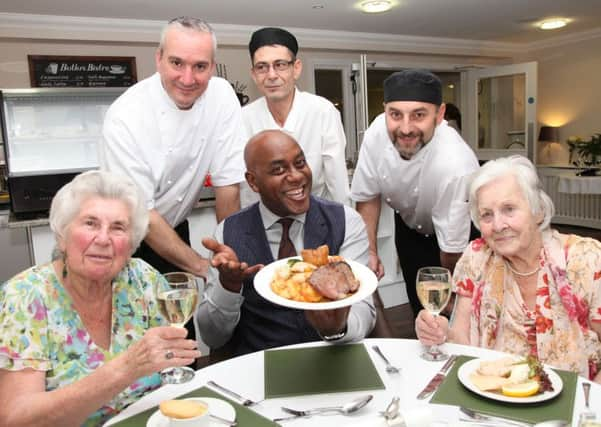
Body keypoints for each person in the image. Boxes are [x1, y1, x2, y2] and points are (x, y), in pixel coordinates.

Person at [0, 171, 201, 426]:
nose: (103, 239)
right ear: (62, 236)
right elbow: (15, 419)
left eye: (118, 227)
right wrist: (126, 367)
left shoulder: (144, 280)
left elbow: (171, 378)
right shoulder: (25, 298)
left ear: (131, 244)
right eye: (90, 223)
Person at [415, 156, 601, 382]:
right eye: (487, 215)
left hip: (574, 404)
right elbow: (460, 339)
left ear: (538, 211)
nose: (498, 225)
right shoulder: (477, 257)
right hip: (494, 397)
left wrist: (588, 406)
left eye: (509, 209)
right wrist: (439, 331)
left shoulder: (585, 261)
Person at [196, 130, 375, 356]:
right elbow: (212, 335)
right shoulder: (229, 233)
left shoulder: (346, 221)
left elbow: (364, 311)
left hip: (332, 358)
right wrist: (228, 287)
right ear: (253, 182)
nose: (296, 176)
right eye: (278, 169)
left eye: (300, 163)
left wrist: (337, 329)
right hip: (260, 367)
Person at [100, 17, 245, 278]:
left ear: (212, 67)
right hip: (121, 239)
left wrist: (228, 256)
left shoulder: (222, 97)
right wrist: (205, 268)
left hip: (173, 230)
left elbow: (229, 186)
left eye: (200, 66)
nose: (187, 79)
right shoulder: (125, 116)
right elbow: (142, 212)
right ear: (159, 59)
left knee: (181, 317)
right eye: (176, 63)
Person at [351, 69, 479, 318]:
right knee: (419, 309)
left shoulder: (456, 164)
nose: (405, 128)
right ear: (385, 109)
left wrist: (451, 294)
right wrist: (371, 252)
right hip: (409, 226)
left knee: (451, 313)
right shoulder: (377, 133)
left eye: (419, 115)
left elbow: (452, 250)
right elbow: (367, 195)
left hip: (460, 239)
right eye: (395, 114)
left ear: (439, 115)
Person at [241, 27, 350, 207]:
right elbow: (246, 190)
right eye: (262, 67)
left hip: (315, 216)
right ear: (254, 74)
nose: (271, 75)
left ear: (296, 68)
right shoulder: (243, 119)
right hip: (264, 222)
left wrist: (343, 228)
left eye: (280, 65)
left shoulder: (322, 111)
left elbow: (337, 180)